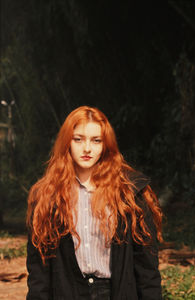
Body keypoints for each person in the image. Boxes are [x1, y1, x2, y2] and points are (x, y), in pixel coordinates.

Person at [26, 106, 163, 300]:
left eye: (96, 140)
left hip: (116, 292)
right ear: (67, 142)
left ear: (105, 145)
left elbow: (147, 268)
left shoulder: (130, 192)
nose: (87, 148)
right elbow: (39, 271)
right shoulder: (48, 195)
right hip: (68, 293)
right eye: (78, 139)